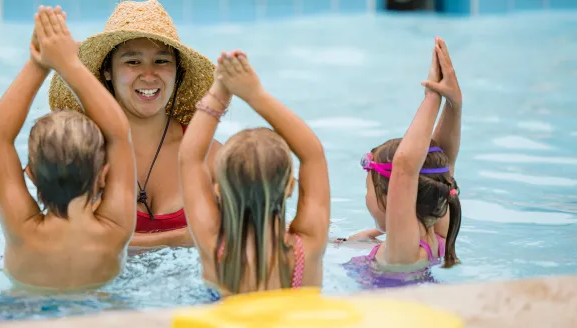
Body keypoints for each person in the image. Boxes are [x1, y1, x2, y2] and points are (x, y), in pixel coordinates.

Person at [48, 0, 221, 249]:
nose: (149, 75)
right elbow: (66, 241)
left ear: (178, 72)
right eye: (133, 61)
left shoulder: (212, 157)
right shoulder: (83, 155)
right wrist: (182, 238)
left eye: (161, 61)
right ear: (107, 70)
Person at [0, 6, 136, 291]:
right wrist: (69, 65)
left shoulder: (22, 231)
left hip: (22, 313)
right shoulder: (115, 230)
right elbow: (119, 134)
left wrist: (38, 63)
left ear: (30, 175)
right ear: (104, 174)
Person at [179, 49, 331, 300]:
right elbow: (313, 155)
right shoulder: (308, 247)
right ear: (290, 187)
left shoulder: (213, 246)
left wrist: (220, 91)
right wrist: (255, 94)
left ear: (218, 189)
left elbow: (189, 158)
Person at [342, 37, 463, 289]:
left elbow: (405, 169)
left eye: (368, 190)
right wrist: (454, 104)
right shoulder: (436, 236)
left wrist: (432, 96)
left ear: (390, 196)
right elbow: (442, 159)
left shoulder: (403, 251)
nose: (366, 198)